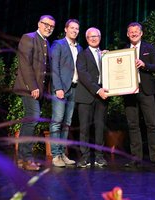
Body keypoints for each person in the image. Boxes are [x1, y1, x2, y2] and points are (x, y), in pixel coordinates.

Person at [13, 15, 56, 171]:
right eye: (46, 24)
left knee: (30, 120)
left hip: (39, 91)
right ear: (39, 24)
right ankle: (27, 158)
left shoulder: (46, 42)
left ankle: (22, 159)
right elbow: (24, 63)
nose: (48, 27)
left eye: (52, 26)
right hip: (29, 88)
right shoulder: (29, 37)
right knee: (32, 119)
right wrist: (32, 86)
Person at [124, 22, 155, 170]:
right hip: (129, 92)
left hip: (146, 90)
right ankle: (135, 158)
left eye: (136, 31)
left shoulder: (149, 48)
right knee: (133, 125)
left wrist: (144, 64)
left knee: (152, 125)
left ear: (141, 33)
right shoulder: (123, 50)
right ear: (128, 34)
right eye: (131, 32)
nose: (134, 33)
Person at [50, 19, 83, 167]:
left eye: (77, 29)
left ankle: (62, 153)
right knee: (57, 122)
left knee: (66, 123)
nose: (75, 31)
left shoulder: (80, 48)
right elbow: (54, 68)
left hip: (74, 89)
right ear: (66, 29)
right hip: (61, 89)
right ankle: (56, 155)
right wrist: (58, 88)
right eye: (72, 28)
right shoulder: (58, 44)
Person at [75, 27, 109, 168]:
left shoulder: (105, 55)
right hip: (86, 96)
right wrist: (97, 90)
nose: (94, 38)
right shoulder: (82, 55)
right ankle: (85, 157)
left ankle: (99, 157)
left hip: (103, 96)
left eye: (96, 36)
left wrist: (108, 58)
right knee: (84, 128)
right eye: (90, 37)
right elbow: (83, 75)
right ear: (87, 39)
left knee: (100, 127)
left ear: (100, 38)